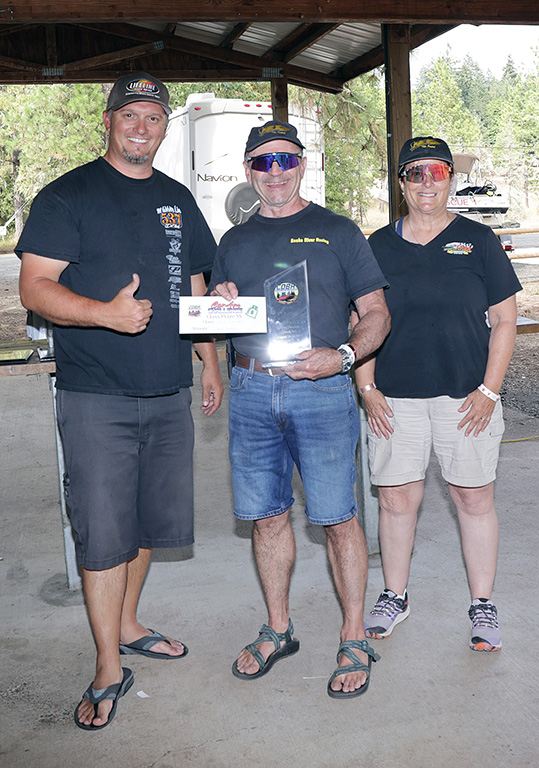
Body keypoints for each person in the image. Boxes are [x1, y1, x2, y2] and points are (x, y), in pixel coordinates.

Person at [17, 72, 223, 730]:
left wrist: (209, 357)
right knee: (105, 533)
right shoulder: (67, 195)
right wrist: (105, 316)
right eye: (129, 114)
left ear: (165, 126)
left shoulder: (176, 199)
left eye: (153, 117)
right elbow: (34, 287)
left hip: (168, 391)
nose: (141, 126)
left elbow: (193, 279)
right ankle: (108, 664)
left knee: (146, 526)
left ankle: (129, 622)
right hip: (95, 395)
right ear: (108, 120)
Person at [210, 120, 390, 698]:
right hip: (253, 391)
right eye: (262, 163)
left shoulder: (338, 231)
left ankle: (354, 633)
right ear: (248, 173)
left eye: (285, 159)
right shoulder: (233, 242)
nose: (276, 172)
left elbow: (377, 314)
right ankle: (279, 629)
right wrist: (220, 303)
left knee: (338, 517)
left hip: (322, 392)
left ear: (302, 163)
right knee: (266, 516)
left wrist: (340, 358)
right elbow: (218, 313)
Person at [358, 136, 521, 652]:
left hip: (465, 399)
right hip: (394, 398)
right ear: (401, 182)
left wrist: (490, 392)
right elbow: (361, 320)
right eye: (415, 173)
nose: (427, 183)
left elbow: (505, 320)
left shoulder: (480, 239)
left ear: (451, 177)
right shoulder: (377, 246)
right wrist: (366, 386)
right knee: (396, 498)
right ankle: (394, 595)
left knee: (473, 497)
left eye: (437, 172)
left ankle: (482, 603)